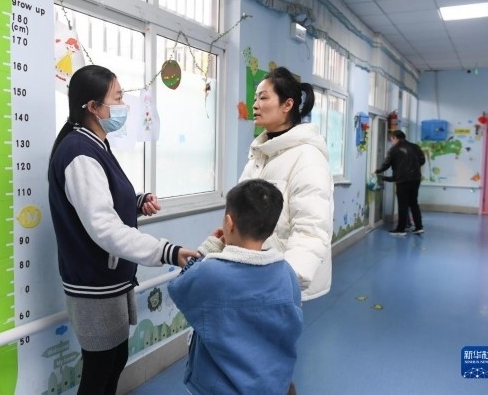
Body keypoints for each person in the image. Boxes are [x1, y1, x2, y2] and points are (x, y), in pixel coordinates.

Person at [48, 64, 199, 395]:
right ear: (93, 106)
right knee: (100, 370)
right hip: (94, 283)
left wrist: (136, 201)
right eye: (117, 98)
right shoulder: (79, 153)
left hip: (109, 279)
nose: (123, 105)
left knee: (115, 360)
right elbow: (104, 227)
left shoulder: (96, 144)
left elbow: (100, 201)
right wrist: (167, 251)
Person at [168, 179, 304, 395]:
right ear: (270, 230)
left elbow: (180, 286)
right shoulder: (287, 272)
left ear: (228, 223)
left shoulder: (211, 272)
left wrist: (207, 249)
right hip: (271, 384)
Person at [240, 66, 334, 301]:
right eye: (255, 98)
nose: (255, 105)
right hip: (255, 271)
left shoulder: (307, 157)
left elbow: (311, 229)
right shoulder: (261, 154)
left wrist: (287, 280)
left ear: (287, 105)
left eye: (263, 98)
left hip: (279, 279)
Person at [375, 129, 426, 236]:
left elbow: (386, 164)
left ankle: (401, 229)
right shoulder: (415, 147)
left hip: (403, 180)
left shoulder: (394, 149)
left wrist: (378, 171)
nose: (391, 142)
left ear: (395, 138)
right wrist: (413, 168)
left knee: (403, 204)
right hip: (416, 179)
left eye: (391, 139)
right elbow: (422, 160)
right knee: (414, 203)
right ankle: (419, 227)